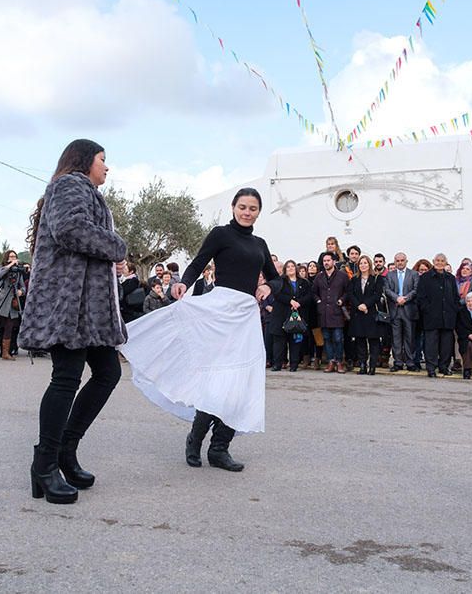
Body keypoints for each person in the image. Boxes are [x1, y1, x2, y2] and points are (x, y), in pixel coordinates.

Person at [122, 187, 279, 475]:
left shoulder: (260, 243)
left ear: (259, 211)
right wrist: (184, 283)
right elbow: (198, 261)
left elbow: (277, 279)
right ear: (233, 207)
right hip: (218, 313)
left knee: (241, 382)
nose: (247, 212)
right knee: (216, 381)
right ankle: (195, 440)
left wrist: (267, 286)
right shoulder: (221, 234)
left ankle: (220, 448)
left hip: (245, 317)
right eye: (242, 206)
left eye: (253, 208)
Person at [19, 139, 127, 504]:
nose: (107, 167)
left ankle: (65, 450)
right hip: (69, 304)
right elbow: (70, 229)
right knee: (65, 379)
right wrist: (116, 246)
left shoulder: (85, 191)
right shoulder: (68, 185)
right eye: (103, 159)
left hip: (88, 310)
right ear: (85, 161)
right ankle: (45, 465)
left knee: (108, 372)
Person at [416, 253, 460, 378]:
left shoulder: (450, 278)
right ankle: (431, 368)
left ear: (446, 263)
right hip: (431, 317)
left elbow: (455, 296)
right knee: (431, 344)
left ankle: (444, 367)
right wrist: (427, 309)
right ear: (433, 261)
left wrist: (454, 309)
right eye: (437, 260)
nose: (439, 262)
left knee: (446, 345)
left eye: (442, 261)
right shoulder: (425, 277)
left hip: (448, 316)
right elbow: (421, 297)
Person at [0, 250, 27, 360]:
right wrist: (11, 265)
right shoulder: (2, 267)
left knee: (9, 327)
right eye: (11, 256)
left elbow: (23, 286)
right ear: (6, 258)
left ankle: (5, 353)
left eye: (14, 256)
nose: (13, 258)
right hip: (0, 300)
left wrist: (21, 292)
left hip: (12, 301)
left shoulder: (18, 272)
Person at [312, 251, 350, 373]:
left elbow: (348, 292)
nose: (326, 263)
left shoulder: (342, 276)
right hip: (323, 313)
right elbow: (313, 292)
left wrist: (341, 300)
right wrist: (318, 301)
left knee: (338, 339)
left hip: (337, 312)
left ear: (334, 261)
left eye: (328, 260)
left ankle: (339, 362)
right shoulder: (319, 276)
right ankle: (330, 361)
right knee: (327, 339)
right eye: (324, 261)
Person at [269, 260, 310, 372]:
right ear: (285, 269)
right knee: (279, 341)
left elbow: (309, 296)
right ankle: (277, 364)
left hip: (296, 315)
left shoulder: (304, 282)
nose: (291, 268)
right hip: (281, 314)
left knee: (295, 341)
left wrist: (298, 302)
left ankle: (294, 364)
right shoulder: (280, 281)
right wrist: (290, 301)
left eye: (293, 266)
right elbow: (277, 294)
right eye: (288, 267)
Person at [349, 254, 384, 375]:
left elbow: (377, 294)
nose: (363, 265)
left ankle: (372, 366)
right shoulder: (354, 279)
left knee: (373, 341)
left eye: (365, 263)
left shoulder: (377, 278)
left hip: (371, 313)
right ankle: (362, 365)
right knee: (360, 341)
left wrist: (366, 305)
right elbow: (351, 294)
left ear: (369, 264)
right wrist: (359, 305)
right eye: (361, 263)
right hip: (358, 314)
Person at [384, 252, 418, 371]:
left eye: (402, 260)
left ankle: (410, 362)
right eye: (397, 261)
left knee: (409, 338)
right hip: (395, 310)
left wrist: (405, 298)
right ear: (394, 262)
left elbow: (415, 289)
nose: (400, 262)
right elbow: (387, 290)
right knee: (396, 338)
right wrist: (397, 298)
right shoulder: (390, 275)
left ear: (406, 261)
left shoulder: (413, 274)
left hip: (408, 310)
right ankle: (397, 362)